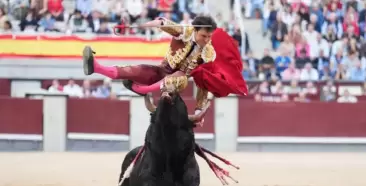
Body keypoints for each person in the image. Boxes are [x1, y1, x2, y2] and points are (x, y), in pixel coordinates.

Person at [82, 15, 247, 125]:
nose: (206, 40)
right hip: (161, 71)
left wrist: (198, 109)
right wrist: (136, 26)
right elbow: (161, 23)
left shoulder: (208, 53)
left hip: (177, 83)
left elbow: (202, 82)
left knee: (179, 77)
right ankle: (96, 67)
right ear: (195, 30)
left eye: (209, 37)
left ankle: (140, 89)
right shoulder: (184, 32)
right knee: (134, 70)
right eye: (204, 36)